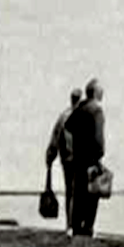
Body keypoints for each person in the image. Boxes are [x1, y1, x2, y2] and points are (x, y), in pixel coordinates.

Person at [62, 79, 107, 237]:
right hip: (91, 159)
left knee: (78, 193)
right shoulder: (96, 110)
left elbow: (68, 126)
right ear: (95, 92)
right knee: (92, 195)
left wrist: (77, 143)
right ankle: (88, 227)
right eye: (101, 90)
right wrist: (99, 155)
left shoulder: (80, 108)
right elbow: (98, 137)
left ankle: (75, 226)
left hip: (78, 158)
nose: (103, 93)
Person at [45, 86, 82, 230]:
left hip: (67, 160)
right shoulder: (84, 116)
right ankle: (77, 223)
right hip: (79, 160)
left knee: (70, 192)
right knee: (79, 192)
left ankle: (70, 224)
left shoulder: (63, 117)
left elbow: (55, 138)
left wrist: (50, 156)